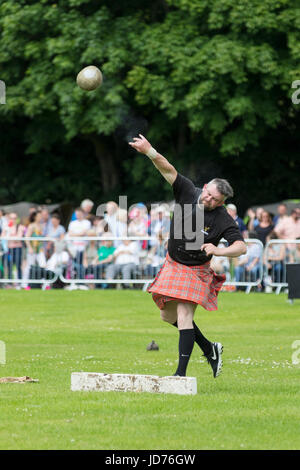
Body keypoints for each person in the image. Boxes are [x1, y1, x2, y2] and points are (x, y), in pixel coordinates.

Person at [129, 134, 246, 378]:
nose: (209, 200)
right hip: (173, 263)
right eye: (209, 194)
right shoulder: (187, 191)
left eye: (216, 200)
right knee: (166, 315)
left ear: (222, 202)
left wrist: (219, 250)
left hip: (196, 270)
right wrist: (150, 151)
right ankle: (209, 348)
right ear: (205, 188)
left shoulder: (223, 218)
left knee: (184, 315)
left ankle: (180, 375)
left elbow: (240, 247)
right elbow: (168, 169)